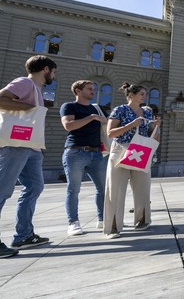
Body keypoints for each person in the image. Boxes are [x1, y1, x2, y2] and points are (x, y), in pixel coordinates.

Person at [0, 55, 56, 258]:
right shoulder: (25, 83)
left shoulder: (36, 90)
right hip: (16, 145)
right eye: (53, 72)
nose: (53, 76)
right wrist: (31, 109)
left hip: (31, 147)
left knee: (34, 186)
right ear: (46, 69)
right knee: (3, 189)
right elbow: (1, 99)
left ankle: (23, 235)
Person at [103, 83, 160, 239]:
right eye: (141, 93)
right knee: (115, 188)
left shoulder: (147, 112)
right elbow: (110, 133)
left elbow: (151, 135)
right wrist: (131, 125)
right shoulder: (120, 110)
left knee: (143, 186)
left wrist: (156, 128)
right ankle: (113, 227)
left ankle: (143, 220)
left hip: (140, 150)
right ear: (131, 95)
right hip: (121, 148)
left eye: (145, 93)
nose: (144, 96)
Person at [60, 80, 108, 236]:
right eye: (89, 89)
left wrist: (103, 119)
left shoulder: (98, 108)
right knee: (73, 190)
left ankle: (102, 220)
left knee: (103, 189)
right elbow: (68, 125)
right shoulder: (69, 106)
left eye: (93, 88)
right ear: (78, 91)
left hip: (97, 153)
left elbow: (109, 125)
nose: (93, 91)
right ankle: (73, 223)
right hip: (75, 152)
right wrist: (91, 117)